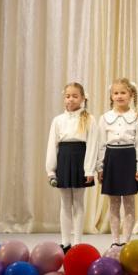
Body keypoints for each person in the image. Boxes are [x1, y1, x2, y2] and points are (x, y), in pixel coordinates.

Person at [45, 82, 97, 251]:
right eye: (68, 96)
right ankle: (65, 241)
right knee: (65, 203)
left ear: (82, 98)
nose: (71, 99)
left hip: (81, 160)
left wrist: (89, 169)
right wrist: (51, 170)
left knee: (78, 202)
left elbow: (92, 146)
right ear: (64, 98)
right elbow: (52, 146)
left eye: (75, 96)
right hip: (64, 160)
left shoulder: (89, 119)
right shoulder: (58, 120)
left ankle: (77, 242)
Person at [97, 78, 138, 247]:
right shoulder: (105, 118)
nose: (119, 96)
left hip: (129, 160)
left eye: (123, 93)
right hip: (111, 160)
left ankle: (126, 241)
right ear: (111, 96)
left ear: (131, 95)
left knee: (129, 203)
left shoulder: (136, 118)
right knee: (113, 203)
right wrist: (100, 167)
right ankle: (115, 241)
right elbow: (101, 144)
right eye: (116, 93)